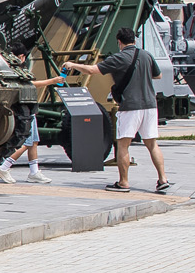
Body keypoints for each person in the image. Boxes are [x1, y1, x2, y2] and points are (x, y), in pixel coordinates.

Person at [64, 29, 169, 193]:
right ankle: (163, 179)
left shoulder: (119, 58)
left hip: (130, 107)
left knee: (123, 145)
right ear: (134, 40)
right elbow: (159, 75)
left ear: (119, 42)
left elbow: (92, 70)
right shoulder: (146, 55)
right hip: (150, 105)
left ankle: (123, 182)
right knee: (152, 144)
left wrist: (72, 65)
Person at [0, 73, 67, 185]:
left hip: (29, 109)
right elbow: (30, 85)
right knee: (26, 142)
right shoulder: (15, 71)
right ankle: (4, 167)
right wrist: (52, 81)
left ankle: (34, 172)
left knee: (33, 142)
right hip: (24, 111)